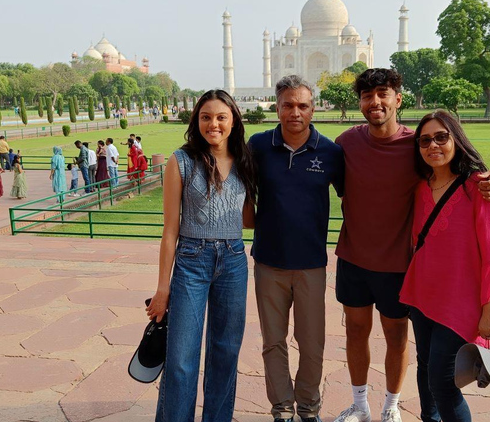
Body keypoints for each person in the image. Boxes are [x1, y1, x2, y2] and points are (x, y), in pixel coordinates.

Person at [332, 69, 490, 422]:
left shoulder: (416, 147)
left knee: (408, 348)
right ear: (360, 103)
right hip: (364, 262)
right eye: (367, 96)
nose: (375, 102)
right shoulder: (347, 143)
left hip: (404, 270)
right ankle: (360, 405)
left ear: (399, 98)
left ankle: (391, 406)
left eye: (383, 93)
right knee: (372, 339)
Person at [146, 89, 257, 422]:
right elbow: (170, 231)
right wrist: (162, 288)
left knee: (225, 352)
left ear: (233, 120)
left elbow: (248, 219)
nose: (214, 124)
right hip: (192, 260)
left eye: (221, 117)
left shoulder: (244, 160)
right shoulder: (181, 161)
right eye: (206, 117)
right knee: (181, 357)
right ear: (196, 120)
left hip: (234, 259)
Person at [400, 110, 490, 422]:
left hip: (460, 302)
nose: (432, 145)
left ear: (456, 140)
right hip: (422, 295)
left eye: (440, 137)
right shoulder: (421, 188)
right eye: (424, 140)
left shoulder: (480, 187)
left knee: (443, 381)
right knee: (425, 367)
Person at [248, 75, 344, 422]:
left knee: (312, 344)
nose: (295, 112)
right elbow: (231, 179)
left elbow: (358, 196)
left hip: (310, 265)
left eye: (302, 105)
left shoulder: (330, 152)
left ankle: (308, 408)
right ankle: (282, 410)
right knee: (273, 342)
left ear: (313, 109)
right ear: (277, 107)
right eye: (288, 105)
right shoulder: (259, 146)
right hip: (269, 263)